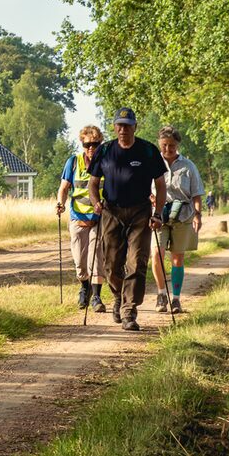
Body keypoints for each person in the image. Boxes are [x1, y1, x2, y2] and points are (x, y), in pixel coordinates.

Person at [87, 108, 168, 332]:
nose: (123, 129)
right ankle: (119, 297)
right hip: (111, 212)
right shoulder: (104, 151)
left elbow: (161, 186)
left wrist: (158, 213)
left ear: (135, 126)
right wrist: (96, 203)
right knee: (111, 265)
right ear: (114, 127)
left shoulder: (148, 151)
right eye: (119, 125)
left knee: (136, 262)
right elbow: (93, 184)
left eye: (127, 125)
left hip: (140, 213)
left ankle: (129, 310)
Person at [147, 127, 203, 314]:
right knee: (157, 254)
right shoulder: (153, 164)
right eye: (164, 145)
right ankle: (162, 294)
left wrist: (197, 215)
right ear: (159, 144)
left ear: (177, 145)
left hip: (183, 215)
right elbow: (144, 188)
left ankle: (176, 298)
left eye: (172, 146)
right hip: (158, 215)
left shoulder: (188, 166)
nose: (168, 149)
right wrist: (151, 198)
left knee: (178, 257)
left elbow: (196, 193)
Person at [56, 125, 106, 311]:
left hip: (99, 218)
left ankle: (97, 297)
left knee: (96, 256)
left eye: (95, 144)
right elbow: (63, 188)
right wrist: (60, 203)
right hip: (78, 217)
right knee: (80, 261)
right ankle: (84, 287)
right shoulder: (73, 162)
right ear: (82, 144)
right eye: (87, 145)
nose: (91, 148)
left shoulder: (105, 162)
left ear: (101, 144)